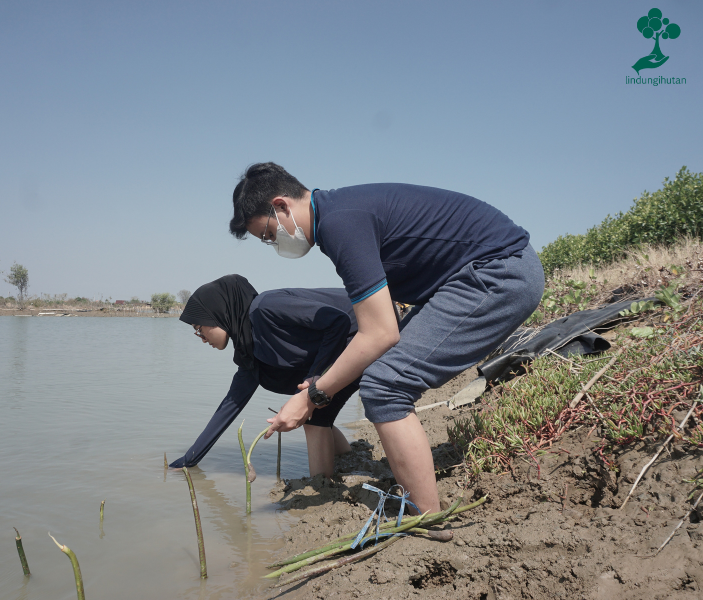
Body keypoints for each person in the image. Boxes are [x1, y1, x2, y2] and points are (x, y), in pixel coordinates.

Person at [229, 163, 545, 513]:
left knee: (385, 384)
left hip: (500, 272)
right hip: (476, 275)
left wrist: (312, 396)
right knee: (380, 373)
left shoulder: (340, 223)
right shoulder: (337, 214)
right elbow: (381, 322)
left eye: (270, 234)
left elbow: (380, 332)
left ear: (282, 205)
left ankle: (425, 517)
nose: (274, 244)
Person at [169, 275, 360, 477]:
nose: (202, 339)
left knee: (311, 410)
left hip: (370, 330)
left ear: (217, 315)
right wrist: (190, 459)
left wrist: (314, 377)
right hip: (341, 350)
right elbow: (229, 407)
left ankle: (321, 487)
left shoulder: (265, 308)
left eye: (199, 329)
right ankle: (350, 462)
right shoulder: (249, 351)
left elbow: (339, 321)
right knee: (316, 413)